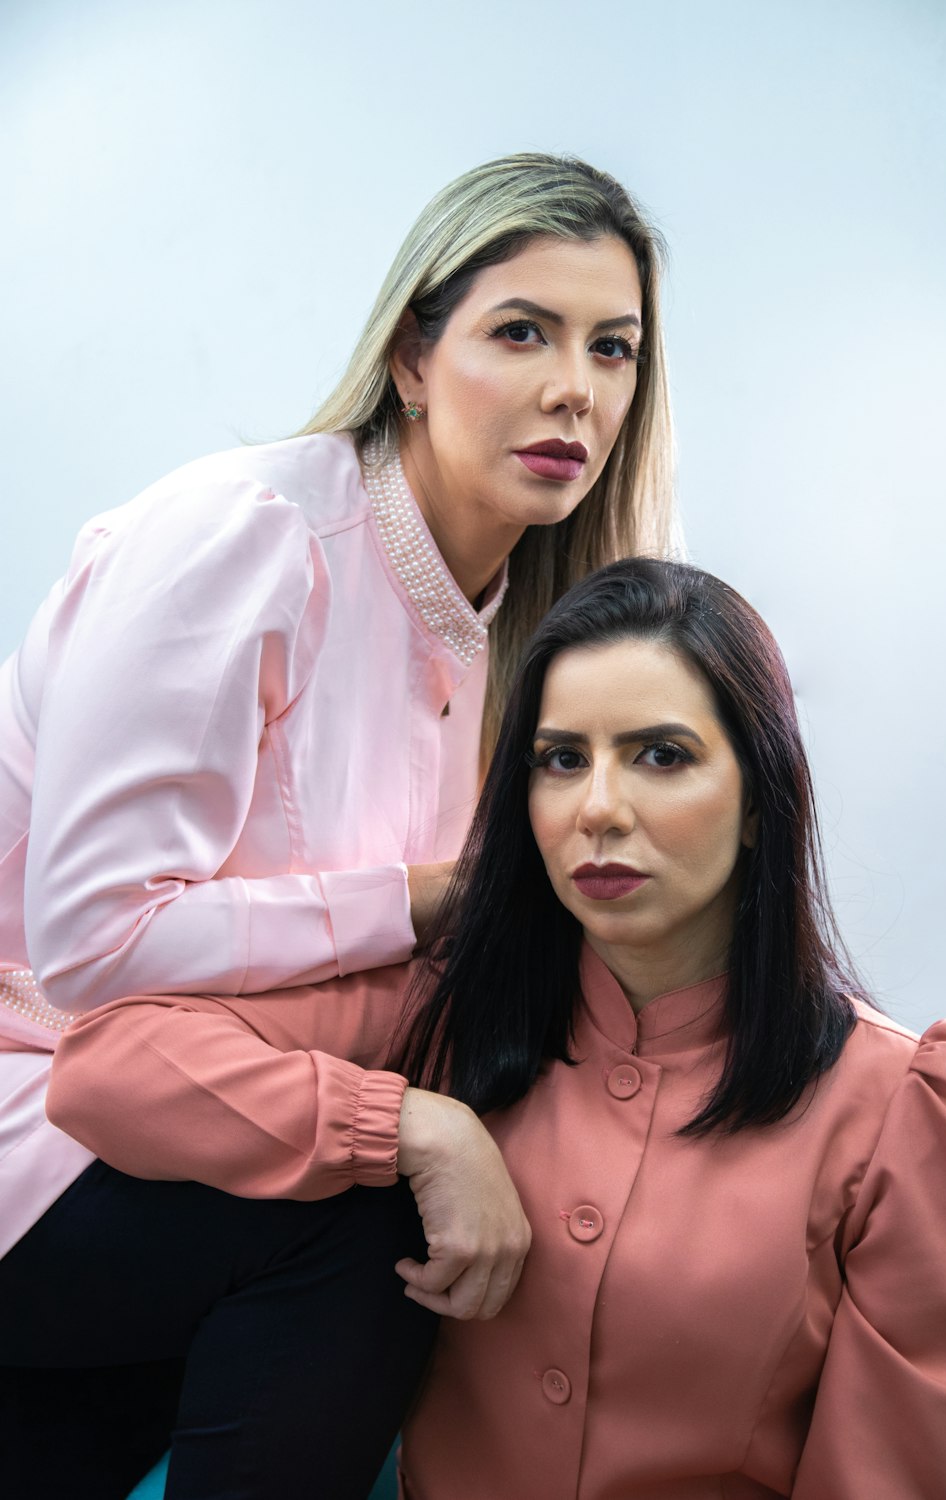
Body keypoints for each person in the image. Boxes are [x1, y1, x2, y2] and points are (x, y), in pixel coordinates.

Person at [0, 154, 680, 1498]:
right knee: (374, 1226)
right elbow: (90, 945)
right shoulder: (245, 535)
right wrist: (423, 910)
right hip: (54, 1115)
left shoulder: (535, 636)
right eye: (523, 331)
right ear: (414, 356)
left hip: (239, 1139)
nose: (576, 390)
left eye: (615, 350)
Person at [43, 559, 946, 1498]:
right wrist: (414, 1128)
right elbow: (106, 1064)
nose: (599, 810)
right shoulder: (449, 1012)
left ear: (761, 799)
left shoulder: (908, 1111)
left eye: (662, 756)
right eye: (561, 759)